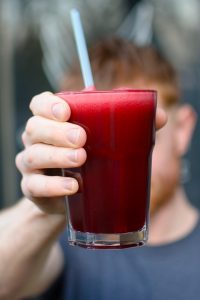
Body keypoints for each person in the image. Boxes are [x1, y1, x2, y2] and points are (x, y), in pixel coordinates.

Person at [0, 38, 198, 300]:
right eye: (89, 143)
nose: (114, 178)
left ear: (183, 129)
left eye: (137, 134)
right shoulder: (56, 248)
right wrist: (44, 208)